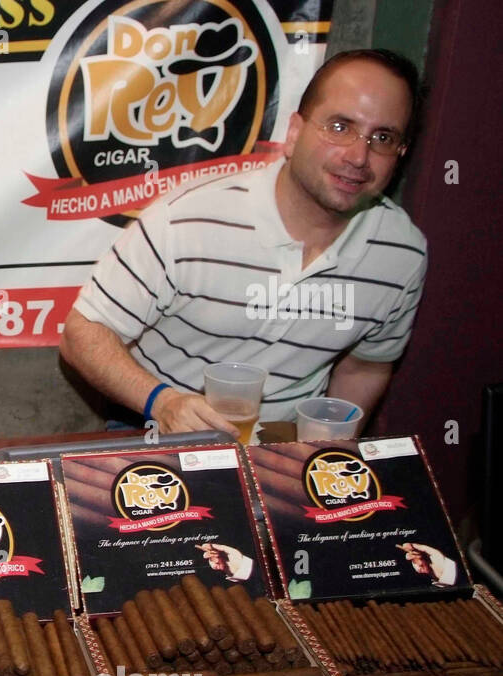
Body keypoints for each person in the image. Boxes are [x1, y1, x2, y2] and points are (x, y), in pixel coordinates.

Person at [59, 49, 427, 436]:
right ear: (295, 132)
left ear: (400, 154)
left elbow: (366, 365)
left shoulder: (402, 253)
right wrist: (163, 403)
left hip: (286, 439)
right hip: (160, 425)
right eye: (339, 127)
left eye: (383, 137)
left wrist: (333, 441)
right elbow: (82, 333)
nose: (358, 155)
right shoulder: (187, 219)